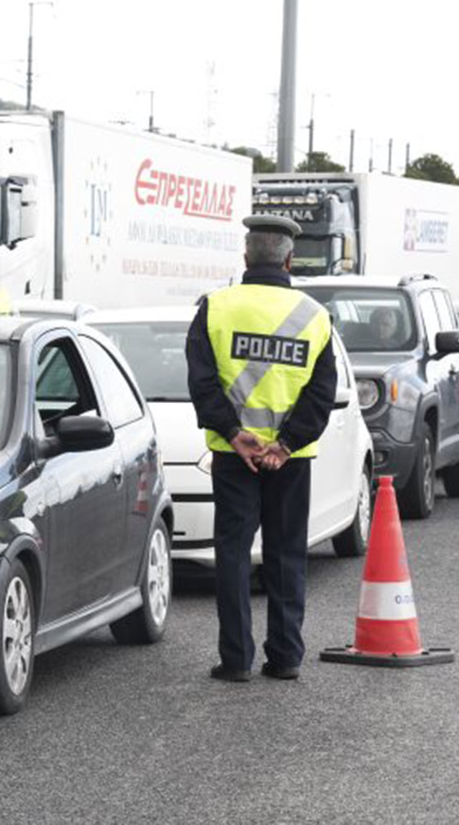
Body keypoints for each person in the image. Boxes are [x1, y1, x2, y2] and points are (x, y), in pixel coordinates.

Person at [186, 214, 338, 684]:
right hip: (290, 461)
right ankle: (286, 657)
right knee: (287, 554)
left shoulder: (215, 308)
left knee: (232, 555)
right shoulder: (315, 316)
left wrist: (235, 434)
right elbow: (322, 392)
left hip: (235, 456)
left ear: (246, 257)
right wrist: (287, 444)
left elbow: (202, 383)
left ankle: (235, 661)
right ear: (290, 259)